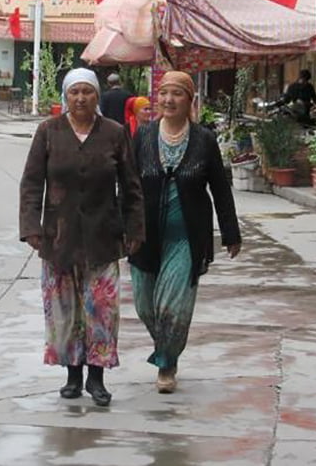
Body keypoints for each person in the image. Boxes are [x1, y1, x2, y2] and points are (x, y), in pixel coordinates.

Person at [19, 68, 145, 407]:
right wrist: (31, 226)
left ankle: (97, 378)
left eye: (87, 92)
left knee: (101, 310)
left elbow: (132, 187)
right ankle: (72, 376)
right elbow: (32, 183)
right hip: (58, 238)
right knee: (65, 311)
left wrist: (134, 230)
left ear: (97, 96)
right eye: (74, 92)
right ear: (65, 95)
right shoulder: (49, 132)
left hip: (103, 236)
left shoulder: (115, 134)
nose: (80, 98)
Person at [130, 71, 241, 394]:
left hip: (185, 238)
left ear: (190, 100)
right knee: (144, 306)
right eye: (164, 93)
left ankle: (167, 364)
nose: (168, 99)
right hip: (145, 235)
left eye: (177, 93)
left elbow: (220, 189)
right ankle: (167, 343)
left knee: (172, 307)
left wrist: (230, 232)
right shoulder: (145, 136)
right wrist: (122, 226)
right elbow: (130, 184)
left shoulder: (204, 139)